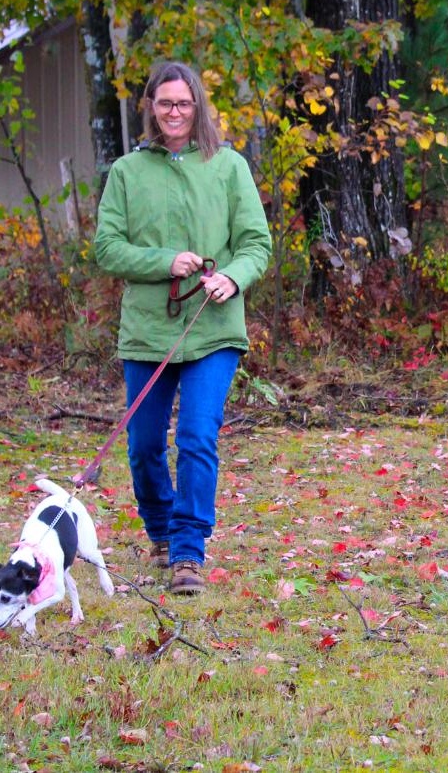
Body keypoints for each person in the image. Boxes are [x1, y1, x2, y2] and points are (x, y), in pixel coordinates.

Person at [95, 61, 271, 594]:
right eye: (164, 103)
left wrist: (234, 279)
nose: (174, 112)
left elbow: (255, 244)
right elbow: (107, 248)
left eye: (184, 103)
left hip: (213, 327)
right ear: (149, 107)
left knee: (196, 436)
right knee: (145, 445)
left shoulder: (228, 166)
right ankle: (162, 533)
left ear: (197, 106)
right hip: (148, 332)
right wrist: (164, 261)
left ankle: (189, 552)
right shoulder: (126, 172)